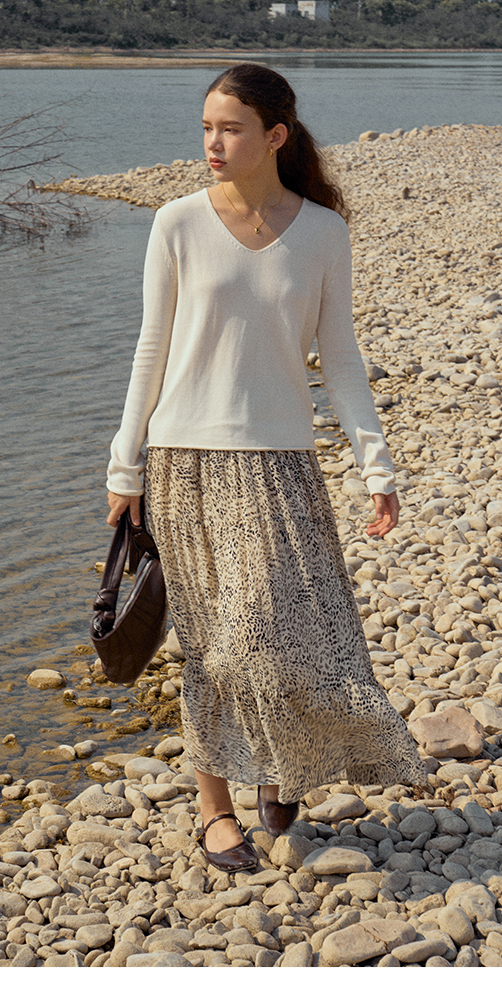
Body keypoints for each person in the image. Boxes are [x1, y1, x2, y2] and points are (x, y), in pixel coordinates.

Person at [105, 63, 426, 874]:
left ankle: (282, 766)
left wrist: (377, 467)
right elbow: (151, 348)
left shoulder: (322, 232)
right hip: (184, 460)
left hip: (281, 464)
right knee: (213, 647)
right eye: (206, 128)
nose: (212, 143)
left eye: (231, 129)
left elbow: (340, 358)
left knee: (280, 638)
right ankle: (215, 812)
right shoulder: (176, 222)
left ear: (276, 135)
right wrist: (124, 467)